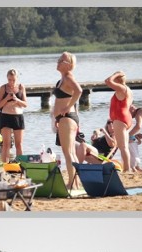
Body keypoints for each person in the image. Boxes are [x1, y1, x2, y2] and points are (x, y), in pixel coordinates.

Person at [53, 51, 82, 189]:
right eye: (58, 59)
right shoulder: (62, 79)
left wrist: (67, 107)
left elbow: (79, 91)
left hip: (67, 118)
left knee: (68, 152)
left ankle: (71, 183)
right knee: (70, 152)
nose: (58, 61)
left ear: (69, 65)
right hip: (64, 119)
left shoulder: (69, 77)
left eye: (61, 60)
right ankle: (75, 182)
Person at [0, 69, 27, 162]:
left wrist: (17, 99)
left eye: (13, 80)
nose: (11, 82)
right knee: (6, 144)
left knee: (19, 144)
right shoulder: (3, 88)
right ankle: (5, 166)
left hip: (18, 116)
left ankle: (21, 166)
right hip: (5, 116)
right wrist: (7, 98)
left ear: (17, 78)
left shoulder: (21, 87)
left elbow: (25, 104)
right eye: (9, 80)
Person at [105, 71, 133, 172]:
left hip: (120, 119)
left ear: (117, 81)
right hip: (125, 118)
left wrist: (116, 74)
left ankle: (126, 169)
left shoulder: (121, 88)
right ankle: (127, 168)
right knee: (124, 146)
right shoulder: (128, 90)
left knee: (122, 147)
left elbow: (107, 81)